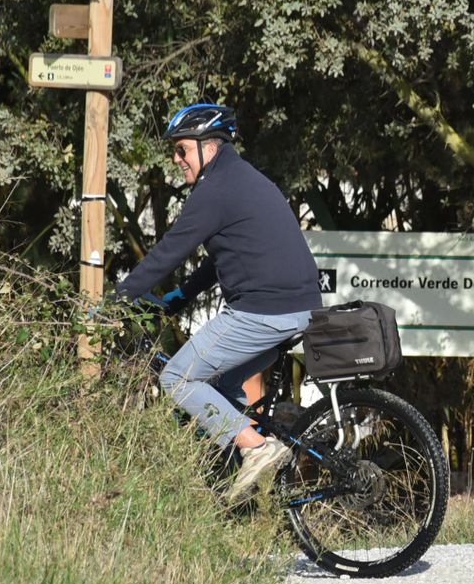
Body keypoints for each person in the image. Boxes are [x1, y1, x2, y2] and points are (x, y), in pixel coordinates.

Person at [113, 102, 323, 499]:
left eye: (182, 150)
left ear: (209, 147)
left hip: (264, 312)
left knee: (177, 378)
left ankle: (256, 447)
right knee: (223, 385)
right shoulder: (242, 179)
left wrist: (117, 299)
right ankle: (238, 488)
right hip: (298, 309)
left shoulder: (215, 189)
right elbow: (219, 259)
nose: (177, 160)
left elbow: (168, 253)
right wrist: (180, 296)